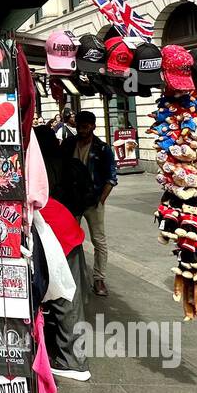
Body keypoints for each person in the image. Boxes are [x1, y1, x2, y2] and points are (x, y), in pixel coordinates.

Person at [72, 111, 117, 297]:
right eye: (79, 124)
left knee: (99, 240)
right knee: (70, 239)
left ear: (93, 126)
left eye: (86, 125)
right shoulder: (69, 144)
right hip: (73, 200)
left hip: (93, 201)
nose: (82, 128)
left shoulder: (102, 148)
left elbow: (111, 178)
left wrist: (101, 200)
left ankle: (99, 279)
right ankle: (75, 276)